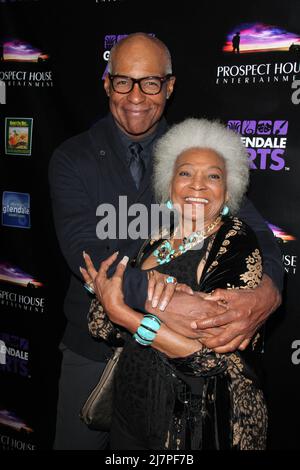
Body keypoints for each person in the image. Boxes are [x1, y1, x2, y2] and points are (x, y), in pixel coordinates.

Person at [48, 33, 282, 450]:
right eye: (123, 81)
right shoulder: (72, 157)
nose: (136, 96)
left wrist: (270, 291)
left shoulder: (189, 154)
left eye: (151, 82)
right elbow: (87, 255)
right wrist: (167, 303)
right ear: (107, 84)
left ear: (169, 87)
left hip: (173, 360)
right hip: (92, 346)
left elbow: (260, 233)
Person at [82, 118, 269, 449]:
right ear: (169, 184)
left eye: (213, 176)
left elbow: (213, 359)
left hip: (187, 423)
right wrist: (123, 305)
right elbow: (100, 325)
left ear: (229, 189)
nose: (197, 185)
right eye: (185, 173)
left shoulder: (235, 242)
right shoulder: (155, 240)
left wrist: (127, 314)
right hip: (127, 412)